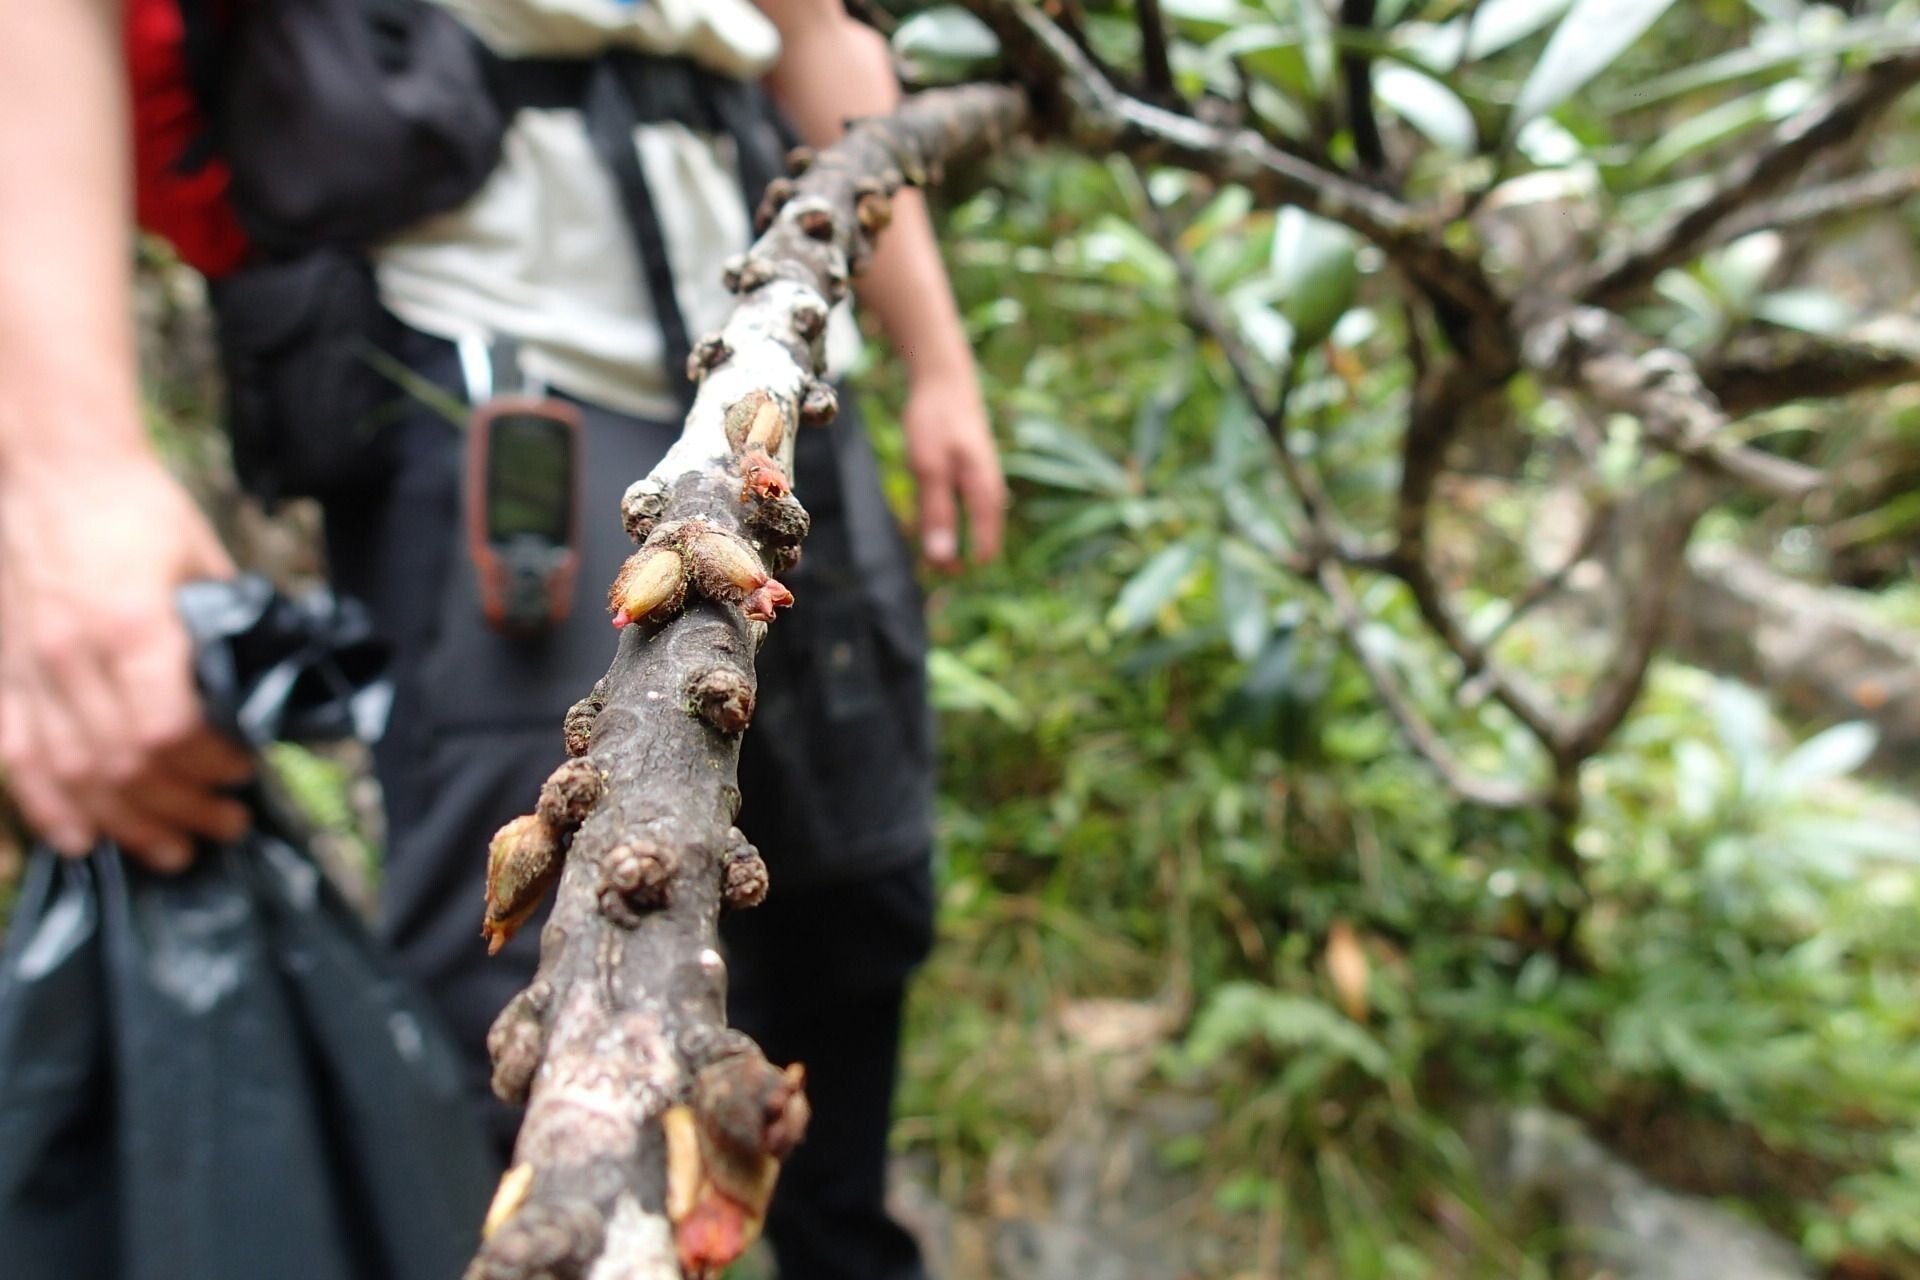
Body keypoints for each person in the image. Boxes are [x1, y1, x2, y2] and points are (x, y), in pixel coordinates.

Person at [0, 3, 1004, 1278]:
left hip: (787, 370)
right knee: (517, 1009)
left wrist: (939, 360)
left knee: (854, 905)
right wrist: (66, 466)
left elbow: (813, 27)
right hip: (502, 370)